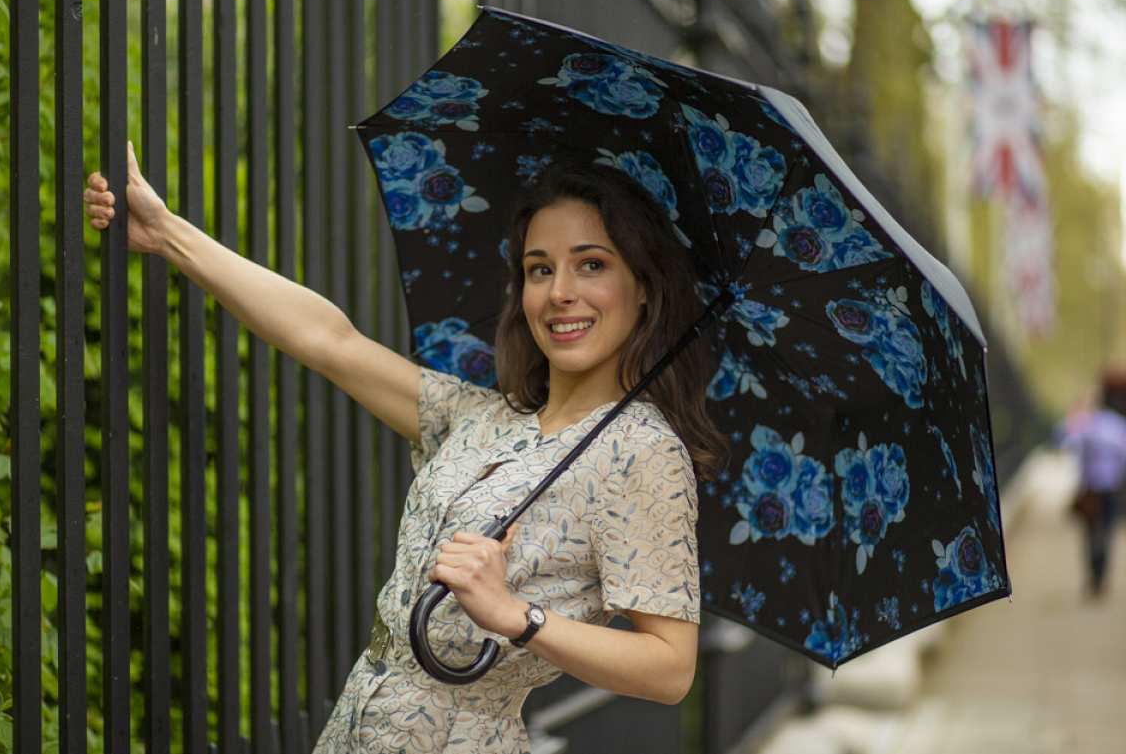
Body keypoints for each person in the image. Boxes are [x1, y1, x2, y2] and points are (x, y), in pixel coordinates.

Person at [85, 145, 725, 753]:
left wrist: (514, 614)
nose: (560, 292)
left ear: (643, 285)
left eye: (592, 264)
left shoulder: (641, 453)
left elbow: (669, 668)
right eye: (539, 268)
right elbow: (330, 341)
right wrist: (168, 235)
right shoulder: (485, 419)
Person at [1059, 371, 1126, 599]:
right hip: (1110, 488)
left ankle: (1094, 576)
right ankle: (1101, 576)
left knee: (1090, 534)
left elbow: (1071, 446)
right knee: (1106, 532)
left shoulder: (1088, 426)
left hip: (1090, 488)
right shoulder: (1118, 426)